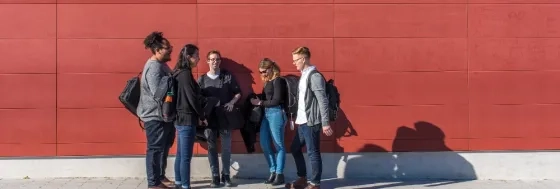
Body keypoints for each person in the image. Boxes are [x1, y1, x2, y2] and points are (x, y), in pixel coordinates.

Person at [285, 47, 333, 189]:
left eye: (296, 60)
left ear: (304, 59)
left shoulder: (315, 76)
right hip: (302, 121)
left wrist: (325, 123)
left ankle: (315, 183)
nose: (294, 63)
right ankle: (302, 178)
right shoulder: (304, 75)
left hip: (311, 121)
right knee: (295, 148)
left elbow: (322, 100)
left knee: (313, 152)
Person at [137, 31, 176, 189]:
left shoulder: (162, 65)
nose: (171, 49)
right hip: (154, 116)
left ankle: (160, 176)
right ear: (158, 49)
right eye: (168, 47)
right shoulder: (153, 68)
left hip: (164, 116)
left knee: (164, 147)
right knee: (154, 149)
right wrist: (170, 80)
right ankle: (153, 183)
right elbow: (157, 94)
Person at [198, 50, 242, 187]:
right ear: (207, 61)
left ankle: (226, 175)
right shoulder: (202, 80)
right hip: (209, 119)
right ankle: (215, 176)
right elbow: (197, 99)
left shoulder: (227, 76)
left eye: (217, 59)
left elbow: (238, 93)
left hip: (225, 117)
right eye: (212, 59)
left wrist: (231, 103)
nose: (215, 61)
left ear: (220, 61)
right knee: (211, 148)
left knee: (226, 148)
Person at [172, 44, 206, 189]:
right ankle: (185, 185)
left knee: (180, 155)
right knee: (185, 157)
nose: (199, 58)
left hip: (180, 119)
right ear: (188, 57)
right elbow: (192, 98)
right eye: (196, 55)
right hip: (186, 119)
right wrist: (202, 115)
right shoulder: (185, 74)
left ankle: (179, 182)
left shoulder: (179, 72)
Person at [250, 58, 287, 186]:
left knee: (278, 145)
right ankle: (272, 171)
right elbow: (268, 98)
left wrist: (260, 102)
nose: (262, 74)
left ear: (271, 68)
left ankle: (279, 173)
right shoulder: (267, 81)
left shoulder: (278, 81)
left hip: (276, 113)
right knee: (264, 143)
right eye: (260, 72)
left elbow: (276, 100)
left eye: (264, 71)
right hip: (266, 114)